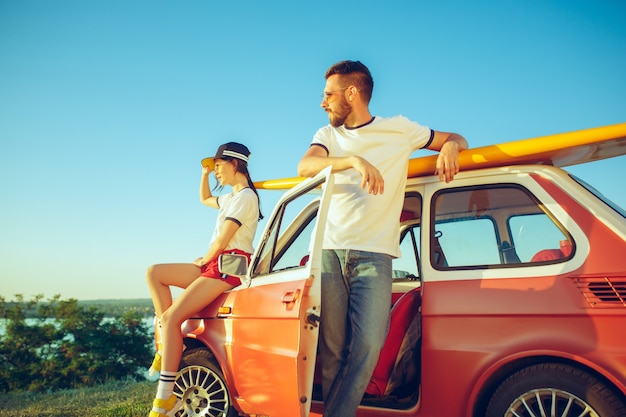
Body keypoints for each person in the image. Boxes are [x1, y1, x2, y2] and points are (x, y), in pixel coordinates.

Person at [297, 60, 468, 417]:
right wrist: (353, 161)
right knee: (331, 349)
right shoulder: (328, 136)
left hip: (375, 256)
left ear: (352, 93)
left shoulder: (399, 129)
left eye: (328, 94)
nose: (322, 102)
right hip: (328, 250)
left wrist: (451, 147)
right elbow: (305, 167)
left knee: (368, 345)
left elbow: (454, 137)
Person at [145, 142, 262, 417]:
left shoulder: (246, 197)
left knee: (173, 318)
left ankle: (165, 399)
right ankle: (169, 344)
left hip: (226, 267)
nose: (216, 171)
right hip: (212, 264)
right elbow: (205, 199)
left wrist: (205, 259)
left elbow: (222, 240)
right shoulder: (231, 197)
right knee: (155, 273)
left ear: (235, 164)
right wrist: (204, 174)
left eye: (218, 166)